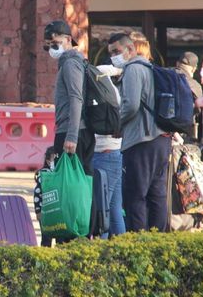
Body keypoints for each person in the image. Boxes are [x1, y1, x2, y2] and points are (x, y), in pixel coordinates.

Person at [108, 33, 171, 232]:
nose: (114, 56)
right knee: (157, 194)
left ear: (130, 49)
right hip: (160, 139)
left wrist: (117, 125)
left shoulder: (133, 69)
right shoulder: (150, 68)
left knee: (135, 195)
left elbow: (131, 105)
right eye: (111, 53)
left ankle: (138, 239)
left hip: (141, 140)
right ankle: (158, 239)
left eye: (117, 51)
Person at [43, 20, 95, 173]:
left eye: (55, 43)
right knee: (78, 181)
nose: (52, 49)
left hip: (73, 132)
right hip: (76, 130)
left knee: (69, 182)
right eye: (48, 45)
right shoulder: (72, 62)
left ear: (67, 39)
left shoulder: (70, 64)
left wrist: (72, 136)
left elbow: (76, 98)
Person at [91, 64, 126, 238]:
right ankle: (123, 247)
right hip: (115, 153)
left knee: (101, 209)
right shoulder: (113, 92)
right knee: (114, 209)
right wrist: (118, 70)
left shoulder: (95, 96)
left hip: (102, 155)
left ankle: (100, 250)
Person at [175, 51, 203, 142]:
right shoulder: (194, 85)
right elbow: (199, 111)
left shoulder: (164, 75)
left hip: (160, 131)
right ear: (194, 69)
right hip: (183, 132)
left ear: (177, 63)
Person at [33, 146, 57, 247]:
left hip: (57, 211)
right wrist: (38, 211)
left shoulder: (61, 174)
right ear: (47, 161)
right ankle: (44, 255)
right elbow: (37, 193)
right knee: (46, 237)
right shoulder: (44, 174)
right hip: (45, 212)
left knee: (61, 237)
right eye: (53, 159)